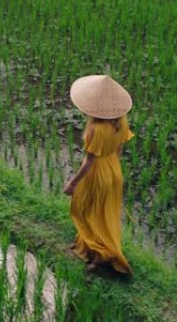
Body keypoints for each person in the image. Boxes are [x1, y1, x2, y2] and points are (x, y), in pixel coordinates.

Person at [63, 75, 134, 274]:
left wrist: (73, 183)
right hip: (114, 171)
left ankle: (99, 255)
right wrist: (113, 168)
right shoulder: (121, 121)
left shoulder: (95, 128)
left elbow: (89, 162)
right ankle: (87, 246)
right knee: (103, 214)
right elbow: (119, 148)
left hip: (97, 175)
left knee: (82, 210)